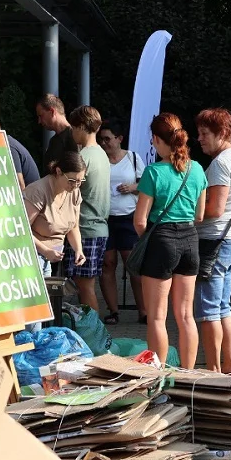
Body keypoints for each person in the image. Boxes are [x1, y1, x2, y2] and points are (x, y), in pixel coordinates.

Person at [134, 113, 208, 369]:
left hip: (161, 241)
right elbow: (200, 215)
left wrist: (149, 242)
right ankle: (188, 376)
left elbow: (140, 221)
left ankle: (158, 378)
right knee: (186, 316)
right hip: (190, 241)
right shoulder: (197, 169)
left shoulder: (153, 172)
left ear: (155, 139)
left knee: (156, 317)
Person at [195, 108, 231, 374]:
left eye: (205, 134)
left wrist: (186, 215)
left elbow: (215, 209)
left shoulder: (221, 164)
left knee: (208, 311)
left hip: (215, 242)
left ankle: (214, 371)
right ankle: (230, 367)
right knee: (223, 307)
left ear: (222, 133)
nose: (200, 139)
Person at [22, 150, 87, 333]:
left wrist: (78, 249)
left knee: (45, 308)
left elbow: (73, 225)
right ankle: (32, 346)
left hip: (50, 255)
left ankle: (40, 342)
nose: (75, 186)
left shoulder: (74, 192)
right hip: (32, 254)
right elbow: (21, 229)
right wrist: (44, 250)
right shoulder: (38, 190)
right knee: (35, 309)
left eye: (80, 181)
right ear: (58, 172)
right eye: (72, 181)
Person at [98, 119, 147, 325]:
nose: (104, 144)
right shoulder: (98, 159)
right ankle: (113, 311)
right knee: (107, 264)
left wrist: (133, 187)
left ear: (119, 139)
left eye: (108, 139)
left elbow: (147, 184)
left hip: (128, 218)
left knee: (133, 266)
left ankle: (144, 311)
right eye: (101, 140)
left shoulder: (134, 158)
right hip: (104, 218)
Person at [63, 105, 110, 313]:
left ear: (82, 126)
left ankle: (95, 336)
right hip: (98, 229)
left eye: (73, 127)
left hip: (86, 230)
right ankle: (94, 334)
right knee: (86, 285)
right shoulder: (101, 154)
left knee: (85, 287)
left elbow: (68, 193)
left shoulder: (85, 158)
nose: (72, 132)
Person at [36, 94, 79, 172]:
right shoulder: (54, 140)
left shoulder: (73, 137)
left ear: (52, 112)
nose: (39, 121)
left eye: (41, 116)